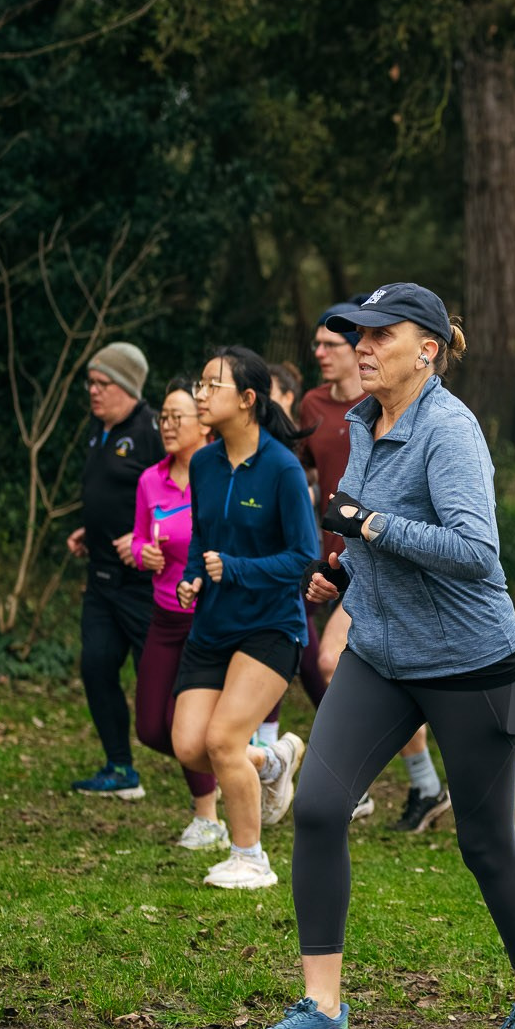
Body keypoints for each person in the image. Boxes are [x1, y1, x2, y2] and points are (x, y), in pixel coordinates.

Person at [234, 283, 515, 1029]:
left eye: (380, 333)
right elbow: (375, 541)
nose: (360, 343)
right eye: (356, 331)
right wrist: (346, 572)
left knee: (486, 843)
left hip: (470, 666)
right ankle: (321, 1012)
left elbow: (474, 552)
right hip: (383, 657)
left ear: (427, 348)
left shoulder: (449, 430)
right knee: (318, 806)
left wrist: (369, 526)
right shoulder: (363, 422)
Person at [169, 346, 314, 891]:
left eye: (212, 386)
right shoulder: (204, 462)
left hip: (271, 625)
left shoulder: (281, 468)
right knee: (190, 744)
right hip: (213, 622)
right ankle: (273, 764)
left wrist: (235, 568)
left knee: (224, 740)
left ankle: (251, 857)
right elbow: (202, 538)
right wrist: (192, 576)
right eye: (200, 384)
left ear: (248, 400)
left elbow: (303, 558)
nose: (200, 394)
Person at [297, 307, 448, 828]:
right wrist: (331, 557)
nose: (335, 350)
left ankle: (373, 781)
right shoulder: (316, 407)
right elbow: (310, 476)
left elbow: (474, 548)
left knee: (333, 662)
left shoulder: (402, 406)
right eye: (343, 340)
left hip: (399, 560)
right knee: (339, 664)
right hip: (349, 555)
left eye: (335, 343)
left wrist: (367, 522)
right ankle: (415, 785)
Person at [67, 343, 164, 799]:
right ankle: (120, 768)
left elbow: (176, 494)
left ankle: (220, 759)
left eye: (102, 383)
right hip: (102, 579)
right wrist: (92, 528)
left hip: (143, 583)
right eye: (90, 383)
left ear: (127, 386)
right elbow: (109, 491)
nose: (93, 391)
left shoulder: (151, 431)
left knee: (164, 680)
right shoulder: (98, 430)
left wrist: (146, 536)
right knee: (96, 664)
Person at [131, 375, 224, 851]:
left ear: (203, 424)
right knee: (150, 727)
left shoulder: (219, 475)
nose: (166, 426)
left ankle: (207, 817)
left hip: (207, 618)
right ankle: (238, 766)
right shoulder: (151, 479)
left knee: (181, 722)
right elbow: (141, 537)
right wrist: (143, 550)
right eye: (162, 418)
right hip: (164, 617)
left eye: (176, 417)